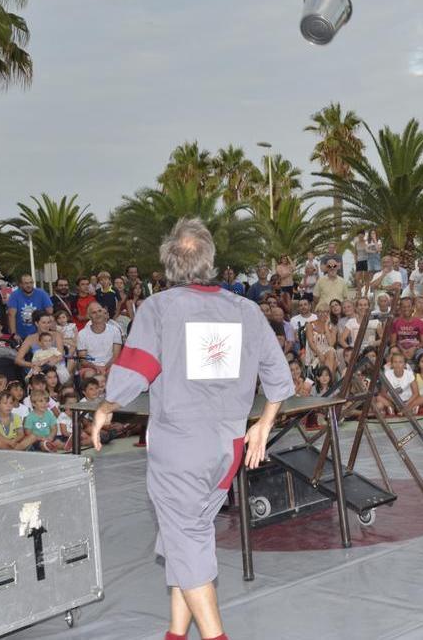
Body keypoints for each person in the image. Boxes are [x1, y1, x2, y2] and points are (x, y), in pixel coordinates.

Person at [92, 218, 293, 640]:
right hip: (229, 448)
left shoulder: (159, 308)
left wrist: (105, 407)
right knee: (186, 536)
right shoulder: (247, 310)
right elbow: (278, 374)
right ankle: (175, 634)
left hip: (180, 449)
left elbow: (135, 373)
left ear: (168, 266)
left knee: (185, 537)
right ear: (210, 260)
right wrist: (264, 424)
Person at [76, 302, 123, 380]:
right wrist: (96, 367)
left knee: (114, 374)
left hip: (110, 365)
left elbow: (116, 356)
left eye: (100, 311)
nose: (98, 314)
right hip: (91, 367)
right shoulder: (82, 334)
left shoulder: (115, 330)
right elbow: (83, 360)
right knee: (89, 375)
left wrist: (105, 367)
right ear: (89, 316)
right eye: (94, 312)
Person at [6, 274, 53, 340]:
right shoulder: (15, 295)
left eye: (31, 283)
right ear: (21, 284)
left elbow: (50, 312)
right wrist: (13, 334)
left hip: (39, 334)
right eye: (26, 283)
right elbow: (11, 315)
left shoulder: (41, 293)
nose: (29, 285)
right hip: (21, 335)